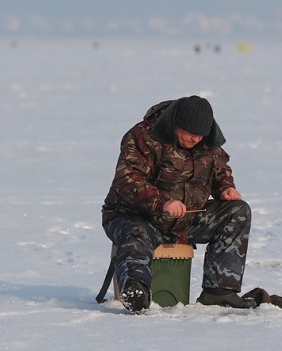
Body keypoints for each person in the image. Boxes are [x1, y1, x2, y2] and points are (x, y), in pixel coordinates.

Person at [102, 96, 256, 313]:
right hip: (135, 215)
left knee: (238, 212)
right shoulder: (143, 136)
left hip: (185, 219)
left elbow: (220, 169)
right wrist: (162, 201)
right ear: (175, 123)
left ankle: (220, 292)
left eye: (200, 135)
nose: (196, 139)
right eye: (190, 133)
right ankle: (136, 291)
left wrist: (225, 188)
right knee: (136, 233)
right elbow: (127, 180)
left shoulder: (207, 140)